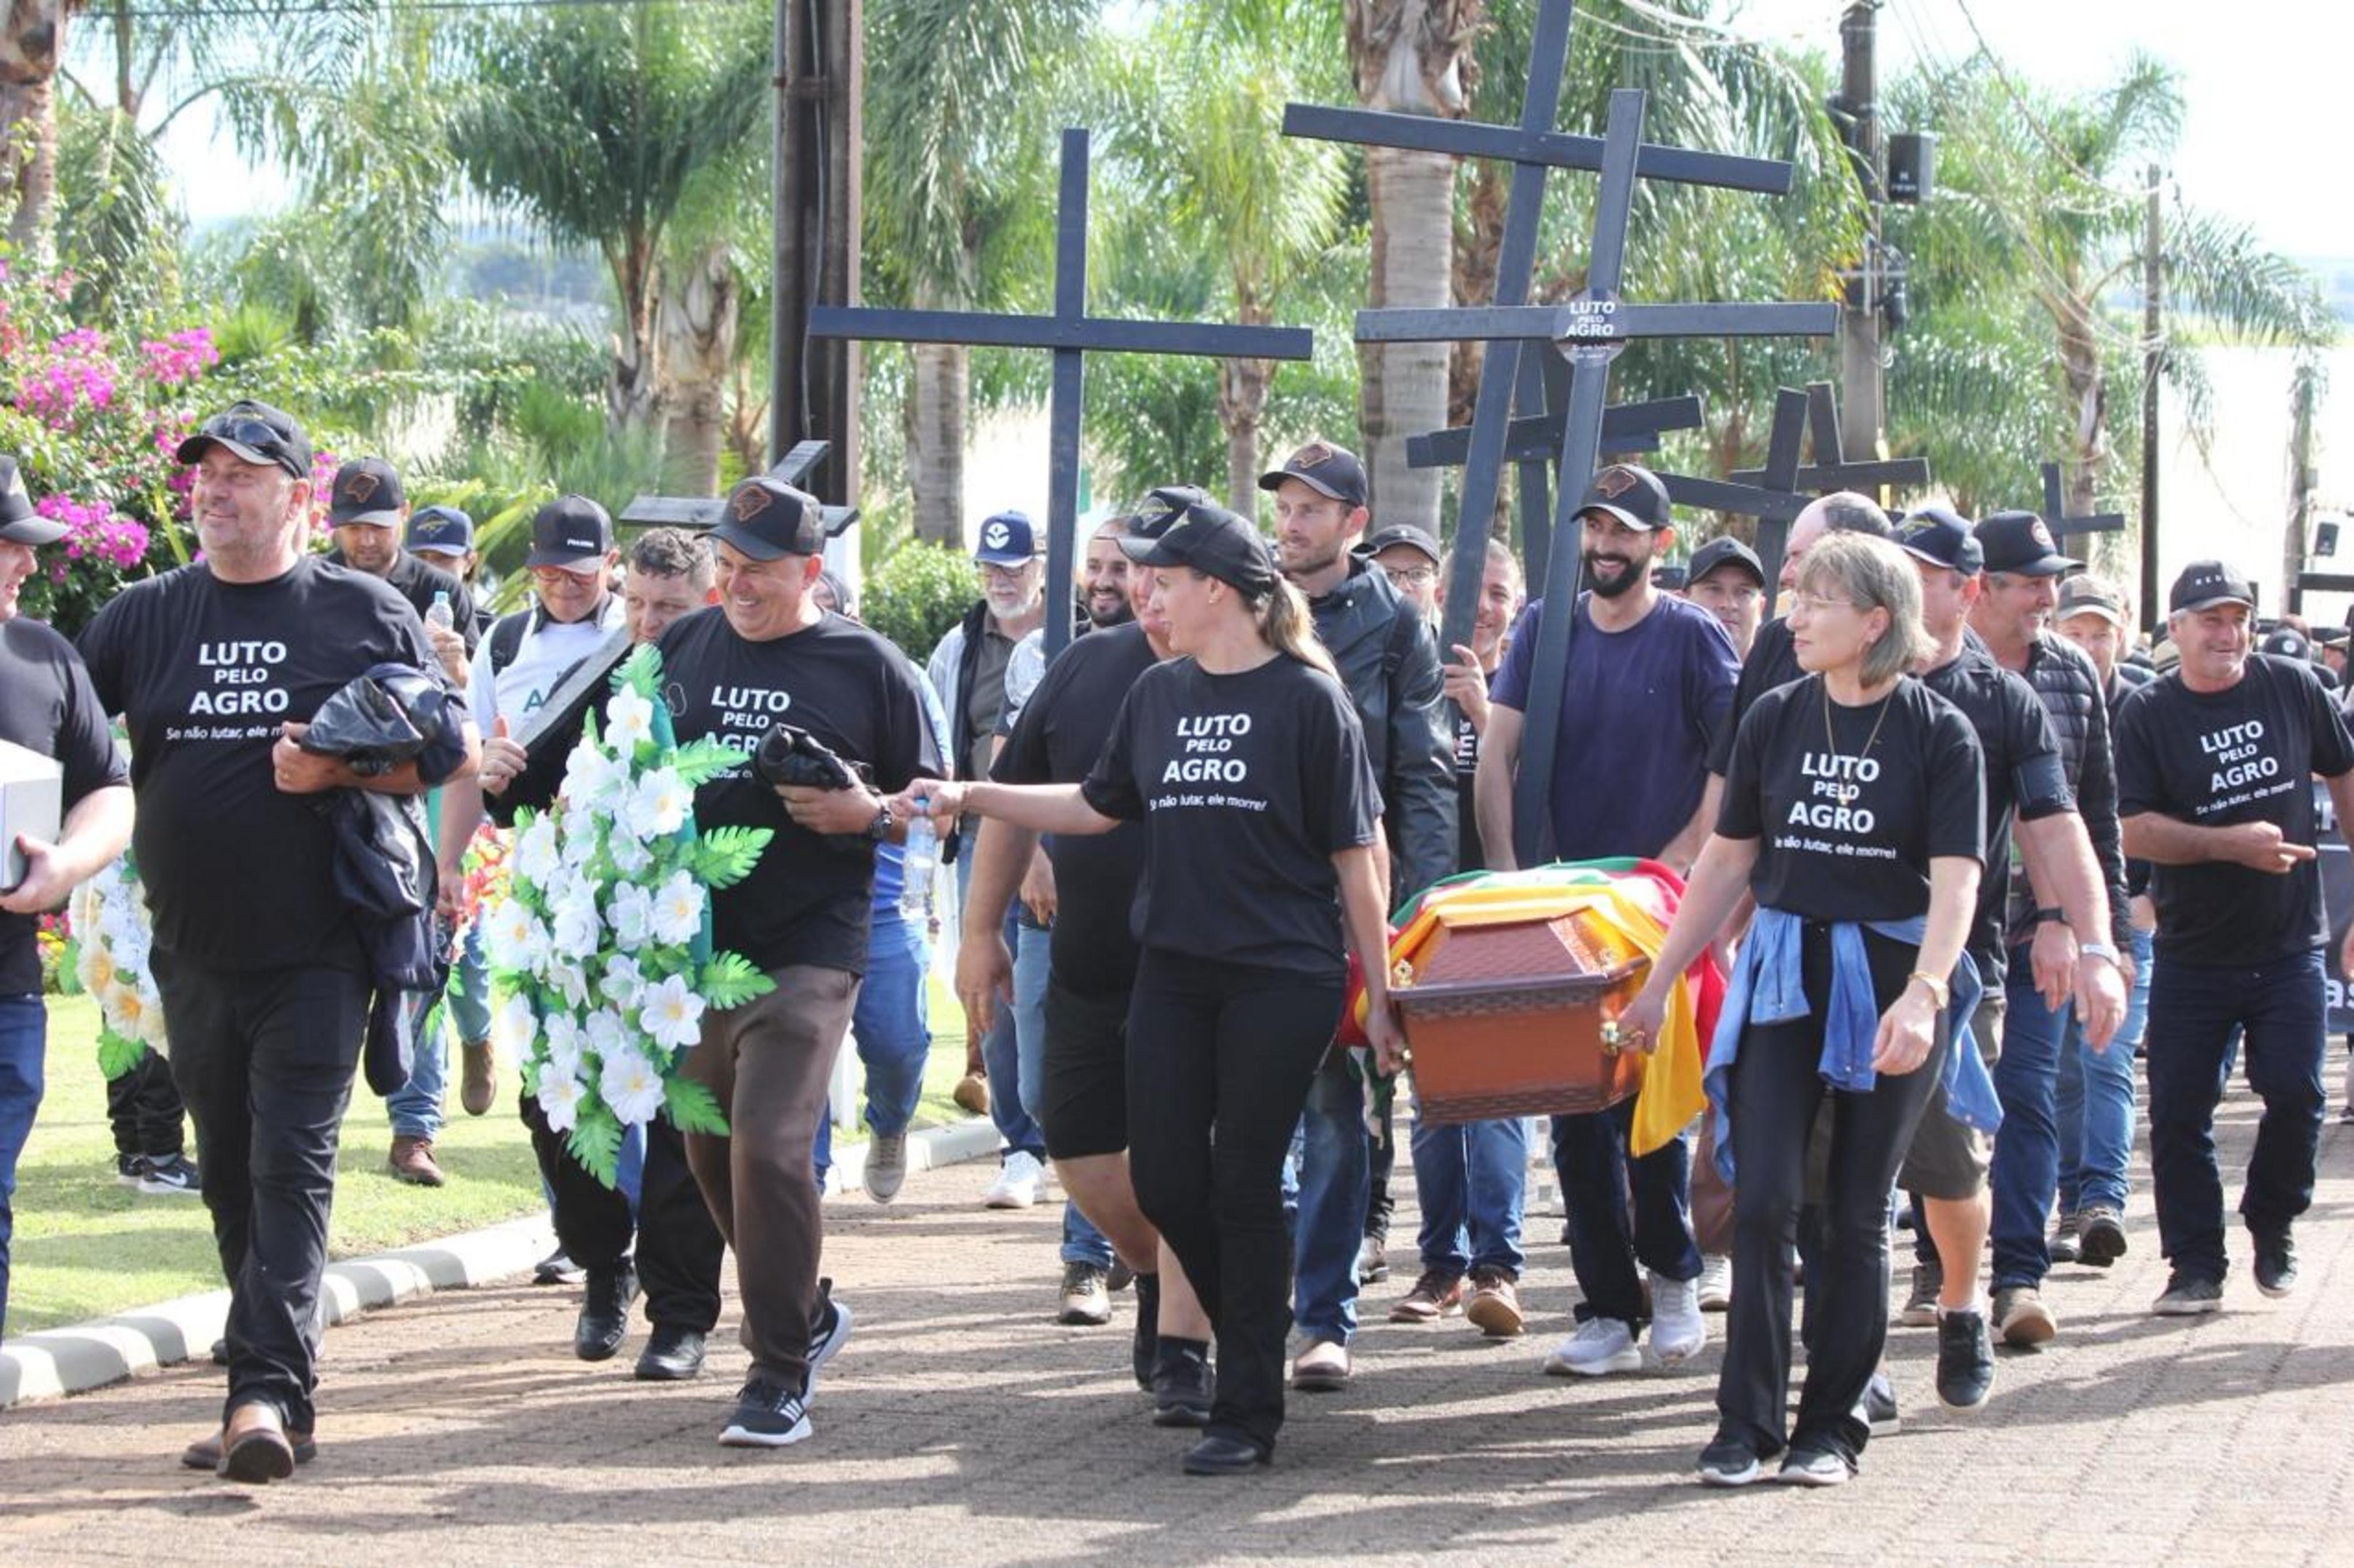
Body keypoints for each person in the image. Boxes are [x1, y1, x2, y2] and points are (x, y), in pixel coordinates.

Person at [901, 497, 1398, 1476]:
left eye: (1164, 581)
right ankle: (1254, 1316)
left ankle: (1245, 1407)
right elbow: (1094, 805)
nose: (1146, 595)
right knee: (1169, 1179)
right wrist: (970, 793)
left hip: (1279, 978)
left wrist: (1380, 997)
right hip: (1170, 972)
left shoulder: (1310, 700)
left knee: (1241, 1177)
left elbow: (1356, 860)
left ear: (1218, 589)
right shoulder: (1158, 695)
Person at [80, 400, 480, 1482]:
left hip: (321, 947)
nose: (215, 491)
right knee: (226, 1170)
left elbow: (445, 756)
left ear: (298, 497)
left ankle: (259, 1393)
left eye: (243, 475)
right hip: (191, 949)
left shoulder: (361, 610)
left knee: (289, 1162)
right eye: (206, 474)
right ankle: (277, 1395)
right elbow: (66, 731)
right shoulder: (143, 615)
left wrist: (337, 769)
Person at [1614, 530, 1985, 1488]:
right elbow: (1726, 860)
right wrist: (1658, 983)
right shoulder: (1775, 716)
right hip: (1782, 976)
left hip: (1891, 980)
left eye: (1817, 601)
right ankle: (1745, 1425)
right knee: (1766, 1200)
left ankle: (1832, 1427)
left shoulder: (1939, 733)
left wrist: (1925, 994)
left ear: (1875, 620)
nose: (1795, 617)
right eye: (1797, 598)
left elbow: (1956, 882)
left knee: (1856, 1210)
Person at [661, 475, 941, 1447]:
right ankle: (808, 1315)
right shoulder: (685, 645)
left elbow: (934, 805)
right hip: (696, 946)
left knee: (771, 1145)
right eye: (725, 565)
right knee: (709, 1148)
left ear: (811, 570)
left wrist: (869, 812)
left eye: (759, 570)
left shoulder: (868, 665)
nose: (735, 586)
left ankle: (778, 1372)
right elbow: (627, 758)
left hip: (811, 944)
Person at [959, 491, 1220, 1421]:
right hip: (1089, 958)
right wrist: (979, 934)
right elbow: (1012, 798)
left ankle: (1188, 1344)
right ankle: (1153, 1270)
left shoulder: (1261, 678)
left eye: (1162, 573)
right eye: (1135, 572)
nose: (1144, 590)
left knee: (1184, 1158)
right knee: (1073, 1142)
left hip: (1206, 974)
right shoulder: (1084, 668)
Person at [1474, 463, 1734, 1377]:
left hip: (1654, 910)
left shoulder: (1694, 637)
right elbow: (1497, 753)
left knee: (1651, 1109)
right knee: (1575, 1112)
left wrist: (1679, 865)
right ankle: (1606, 1310)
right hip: (1556, 908)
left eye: (1624, 531)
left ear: (1661, 543)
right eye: (1595, 528)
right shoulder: (1544, 628)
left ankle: (1674, 1276)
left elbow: (1730, 768)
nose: (1605, 545)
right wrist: (1506, 877)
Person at [465, 526, 730, 1382]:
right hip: (588, 947)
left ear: (710, 600)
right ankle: (603, 1261)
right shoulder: (597, 673)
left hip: (697, 945)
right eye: (638, 605)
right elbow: (516, 793)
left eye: (670, 609)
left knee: (685, 1125)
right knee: (555, 1109)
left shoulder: (734, 676)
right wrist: (494, 769)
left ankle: (681, 1314)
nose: (649, 624)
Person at [1884, 509, 2122, 1410]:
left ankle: (1980, 1296)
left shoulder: (2021, 694)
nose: (2047, 598)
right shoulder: (1843, 678)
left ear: (1966, 587)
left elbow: (2069, 821)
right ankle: (1857, 1352)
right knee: (1847, 1165)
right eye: (1898, 570)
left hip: (1974, 956)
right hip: (1852, 952)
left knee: (1966, 1147)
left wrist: (2088, 935)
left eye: (1926, 574)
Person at [1260, 438, 1454, 1390]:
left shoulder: (1396, 622)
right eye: (1284, 508)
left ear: (1353, 522)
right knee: (1245, 1119)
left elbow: (1422, 774)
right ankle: (1246, 1304)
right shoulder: (1248, 600)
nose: (1290, 525)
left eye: (1310, 510)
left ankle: (1322, 1320)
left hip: (1351, 902)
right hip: (1250, 896)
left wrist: (1418, 916)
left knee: (1338, 1116)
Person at [2114, 560, 2354, 1314]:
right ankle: (2194, 1264)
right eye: (2210, 620)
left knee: (2298, 1094)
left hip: (2289, 946)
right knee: (2178, 1112)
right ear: (2176, 629)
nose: (2227, 634)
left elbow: (2345, 773)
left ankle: (2273, 1220)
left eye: (2238, 618)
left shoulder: (2293, 686)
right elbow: (2131, 829)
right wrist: (2230, 845)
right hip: (2192, 951)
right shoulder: (2148, 713)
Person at [438, 495, 630, 1301]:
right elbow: (467, 757)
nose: (563, 586)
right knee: (551, 1067)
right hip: (537, 879)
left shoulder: (642, 630)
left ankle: (638, 1231)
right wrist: (450, 861)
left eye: (579, 574)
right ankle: (581, 1238)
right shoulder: (507, 640)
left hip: (634, 880)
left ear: (610, 566)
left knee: (628, 1063)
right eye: (549, 573)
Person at [1963, 512, 2133, 1347]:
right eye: (2031, 583)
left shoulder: (2070, 674)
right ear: (1980, 588)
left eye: (2051, 582)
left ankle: (2018, 1277)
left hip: (2039, 934)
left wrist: (2099, 933)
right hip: (1944, 935)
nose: (2046, 598)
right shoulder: (1933, 671)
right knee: (1935, 1108)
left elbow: (2094, 813)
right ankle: (1939, 1263)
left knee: (2028, 1093)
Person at [989, 514, 1148, 1319]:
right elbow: (1016, 772)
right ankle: (1131, 1241)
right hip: (1054, 914)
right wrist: (1027, 864)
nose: (1110, 582)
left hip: (1162, 934)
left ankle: (1092, 1260)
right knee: (1046, 1091)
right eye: (1098, 566)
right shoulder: (1054, 659)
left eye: (1126, 567)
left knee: (1152, 1100)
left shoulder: (1223, 667)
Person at [0, 457, 136, 1342]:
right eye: (8, 545)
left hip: (6, 994)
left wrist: (67, 864)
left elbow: (109, 790)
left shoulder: (45, 657)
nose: (27, 562)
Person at [1391, 536, 1532, 1333]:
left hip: (1506, 912)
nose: (1483, 608)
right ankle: (1440, 1264)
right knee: (1435, 1099)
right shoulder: (1412, 679)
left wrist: (1486, 715)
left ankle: (1497, 1267)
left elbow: (1540, 791)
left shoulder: (1530, 683)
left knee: (1502, 1093)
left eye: (1499, 594)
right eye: (1470, 590)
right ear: (1440, 595)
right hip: (1427, 916)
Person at [807, 565, 951, 1211]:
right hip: (800, 903)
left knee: (897, 1046)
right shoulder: (769, 671)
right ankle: (803, 1185)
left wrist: (868, 814)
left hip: (886, 899)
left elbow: (937, 800)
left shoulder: (899, 677)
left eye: (826, 607)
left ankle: (889, 1123)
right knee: (795, 1055)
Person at [928, 509, 1055, 1212]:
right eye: (989, 568)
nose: (1001, 581)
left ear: (1040, 566)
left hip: (1073, 831)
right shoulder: (960, 646)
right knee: (995, 994)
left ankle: (1088, 1140)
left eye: (1013, 567)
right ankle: (1020, 1146)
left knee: (1068, 994)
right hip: (984, 839)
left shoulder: (1076, 635)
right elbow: (939, 735)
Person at [2051, 573, 2157, 1260]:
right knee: (2062, 1070)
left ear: (2122, 632)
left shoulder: (2144, 707)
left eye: (2100, 633)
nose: (2089, 646)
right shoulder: (2040, 695)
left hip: (2129, 915)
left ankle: (2102, 1199)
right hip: (2053, 917)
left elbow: (2173, 803)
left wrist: (2152, 901)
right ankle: (2069, 1201)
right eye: (2076, 632)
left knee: (2108, 1058)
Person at [406, 505, 494, 640]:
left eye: (442, 558)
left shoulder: (491, 633)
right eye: (421, 557)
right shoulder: (392, 614)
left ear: (470, 562)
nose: (430, 567)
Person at [1682, 536, 1767, 660]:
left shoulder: (1782, 671)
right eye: (1714, 589)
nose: (1729, 604)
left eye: (1743, 592)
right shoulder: (1658, 667)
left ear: (1760, 608)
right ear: (1683, 601)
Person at [1362, 522, 1443, 620]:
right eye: (1389, 575)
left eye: (1418, 574)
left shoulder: (1454, 628)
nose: (1403, 587)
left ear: (1437, 583)